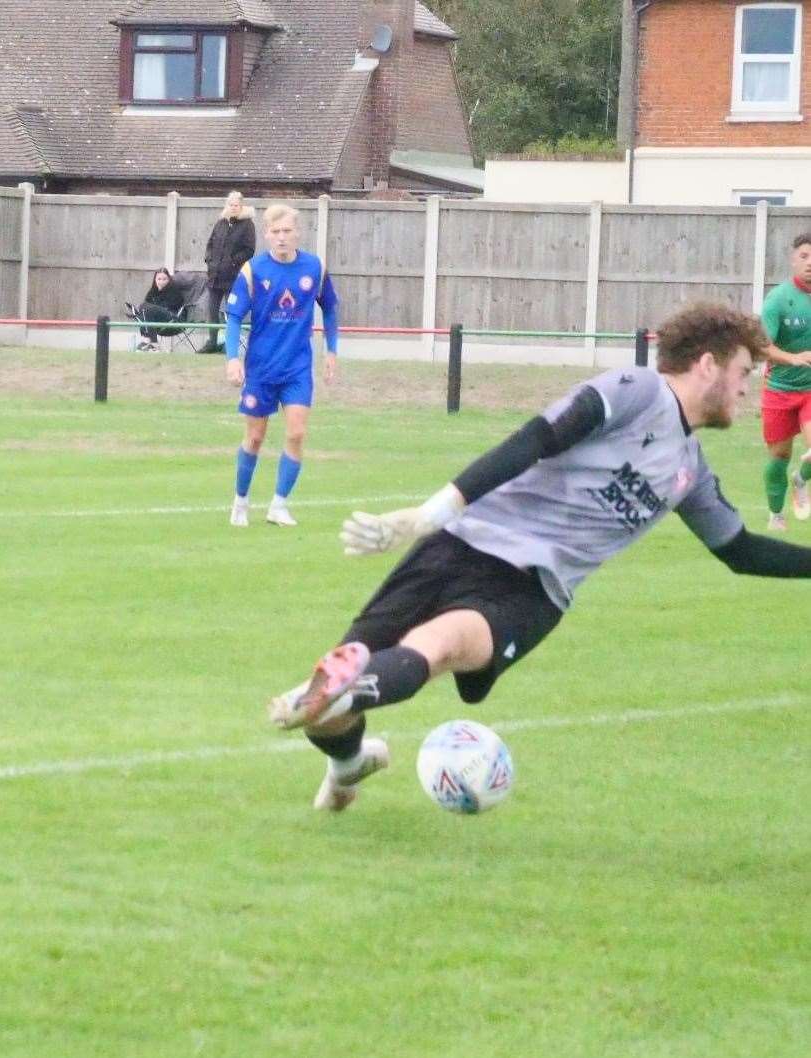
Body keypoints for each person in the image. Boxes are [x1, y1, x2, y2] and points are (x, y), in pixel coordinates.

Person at [266, 301, 802, 814]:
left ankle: (342, 688)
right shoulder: (639, 391)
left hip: (530, 589)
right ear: (707, 364)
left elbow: (740, 550)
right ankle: (349, 759)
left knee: (440, 644)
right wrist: (428, 516)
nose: (745, 389)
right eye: (743, 372)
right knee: (331, 717)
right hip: (458, 542)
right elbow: (539, 438)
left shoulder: (690, 469)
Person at [223, 204, 339, 528]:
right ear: (266, 234)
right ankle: (241, 502)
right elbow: (233, 316)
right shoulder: (253, 270)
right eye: (275, 232)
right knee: (256, 437)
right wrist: (233, 358)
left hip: (297, 368)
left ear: (297, 233)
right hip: (260, 369)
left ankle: (279, 504)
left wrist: (332, 351)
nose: (281, 237)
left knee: (297, 432)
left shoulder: (314, 268)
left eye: (287, 231)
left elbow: (330, 309)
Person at [757, 233, 811, 530]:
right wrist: (793, 358)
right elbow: (762, 345)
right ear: (793, 259)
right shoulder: (778, 299)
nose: (810, 263)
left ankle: (801, 479)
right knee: (779, 455)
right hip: (780, 389)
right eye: (804, 256)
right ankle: (776, 515)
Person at [201, 192, 256, 355]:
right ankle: (212, 342)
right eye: (230, 205)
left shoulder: (247, 225)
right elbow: (210, 243)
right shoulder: (221, 223)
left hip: (233, 277)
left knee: (232, 312)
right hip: (214, 276)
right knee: (212, 311)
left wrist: (233, 261)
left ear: (241, 206)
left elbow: (249, 250)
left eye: (236, 205)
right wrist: (209, 260)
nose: (233, 207)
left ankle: (228, 344)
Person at [133, 267, 187, 351]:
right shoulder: (152, 292)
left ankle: (152, 342)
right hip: (155, 320)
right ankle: (147, 341)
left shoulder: (174, 291)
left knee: (145, 308)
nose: (161, 282)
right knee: (143, 310)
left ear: (169, 280)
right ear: (155, 280)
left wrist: (150, 308)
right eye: (159, 279)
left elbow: (168, 308)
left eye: (164, 279)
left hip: (172, 319)